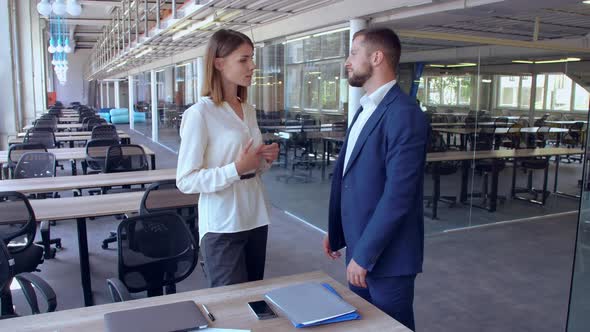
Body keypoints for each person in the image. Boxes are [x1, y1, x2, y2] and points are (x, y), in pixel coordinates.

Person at [322, 27, 429, 331]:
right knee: (364, 326)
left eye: (354, 53)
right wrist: (338, 229)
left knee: (391, 328)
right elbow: (352, 179)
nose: (347, 61)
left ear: (377, 57)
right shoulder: (365, 109)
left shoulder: (405, 114)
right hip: (361, 247)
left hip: (388, 258)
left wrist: (365, 255)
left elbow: (399, 195)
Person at [176, 29, 279, 288]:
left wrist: (264, 161)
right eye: (243, 60)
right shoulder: (200, 114)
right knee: (230, 308)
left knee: (253, 298)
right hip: (223, 223)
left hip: (255, 216)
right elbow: (186, 181)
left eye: (251, 58)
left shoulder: (248, 110)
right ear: (219, 64)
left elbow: (250, 168)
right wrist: (235, 168)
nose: (252, 65)